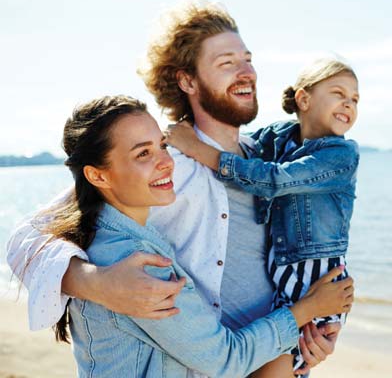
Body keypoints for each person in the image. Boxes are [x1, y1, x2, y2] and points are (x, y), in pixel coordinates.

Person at [7, 1, 343, 376]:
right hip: (208, 362)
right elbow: (27, 237)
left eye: (247, 59)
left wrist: (314, 331)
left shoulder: (266, 163)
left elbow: (303, 253)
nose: (247, 71)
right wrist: (98, 284)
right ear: (188, 81)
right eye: (227, 63)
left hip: (270, 355)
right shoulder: (163, 165)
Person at [39, 94, 352, 377]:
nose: (165, 161)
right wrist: (307, 310)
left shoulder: (116, 234)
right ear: (97, 175)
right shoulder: (136, 266)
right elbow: (225, 359)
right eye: (143, 154)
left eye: (161, 145)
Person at [165, 58, 360, 377]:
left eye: (355, 99)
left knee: (282, 365)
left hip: (317, 278)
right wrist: (189, 127)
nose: (348, 104)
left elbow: (272, 180)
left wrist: (194, 147)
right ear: (304, 99)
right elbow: (235, 145)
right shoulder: (277, 137)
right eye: (338, 93)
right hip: (283, 282)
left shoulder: (341, 154)